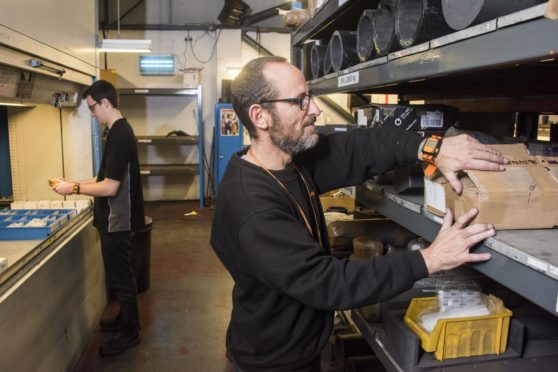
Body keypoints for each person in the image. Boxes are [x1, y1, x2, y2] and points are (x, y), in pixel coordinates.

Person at [210, 56, 508, 372]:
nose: (315, 110)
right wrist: (430, 259)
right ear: (260, 116)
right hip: (272, 361)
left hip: (298, 347)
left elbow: (358, 147)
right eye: (300, 101)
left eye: (310, 97)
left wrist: (431, 147)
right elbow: (329, 284)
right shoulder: (253, 206)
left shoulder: (289, 162)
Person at [51, 80, 145, 356]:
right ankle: (125, 319)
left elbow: (110, 187)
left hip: (118, 220)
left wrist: (75, 189)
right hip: (112, 218)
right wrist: (73, 183)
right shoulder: (116, 131)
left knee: (122, 278)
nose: (92, 114)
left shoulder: (120, 135)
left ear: (106, 103)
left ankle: (130, 331)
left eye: (92, 108)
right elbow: (105, 177)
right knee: (118, 276)